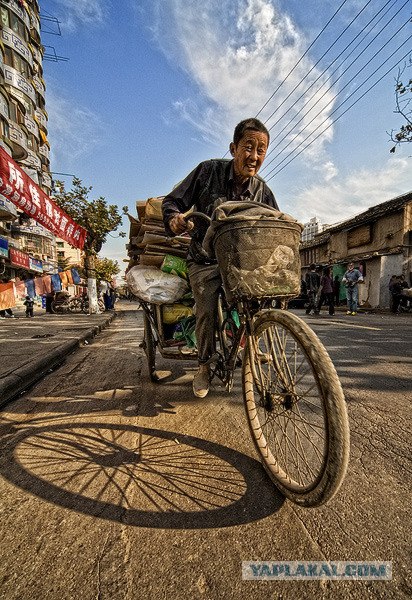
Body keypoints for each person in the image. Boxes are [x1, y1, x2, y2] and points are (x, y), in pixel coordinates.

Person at [162, 118, 278, 398]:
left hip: (240, 262)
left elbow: (274, 222)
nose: (254, 156)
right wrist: (175, 219)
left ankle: (250, 343)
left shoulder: (262, 191)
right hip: (205, 259)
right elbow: (172, 202)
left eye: (261, 150)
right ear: (233, 148)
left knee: (260, 298)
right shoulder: (207, 171)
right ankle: (204, 363)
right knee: (207, 309)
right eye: (248, 147)